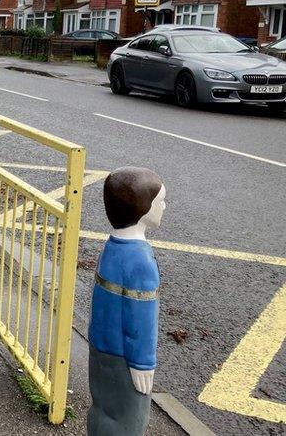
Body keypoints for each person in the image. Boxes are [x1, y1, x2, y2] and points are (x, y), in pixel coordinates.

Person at [87, 167, 166, 435]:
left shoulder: (110, 247)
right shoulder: (141, 261)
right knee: (129, 420)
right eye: (160, 201)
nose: (164, 206)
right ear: (144, 209)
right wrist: (143, 363)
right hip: (126, 359)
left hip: (100, 348)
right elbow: (140, 321)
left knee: (102, 409)